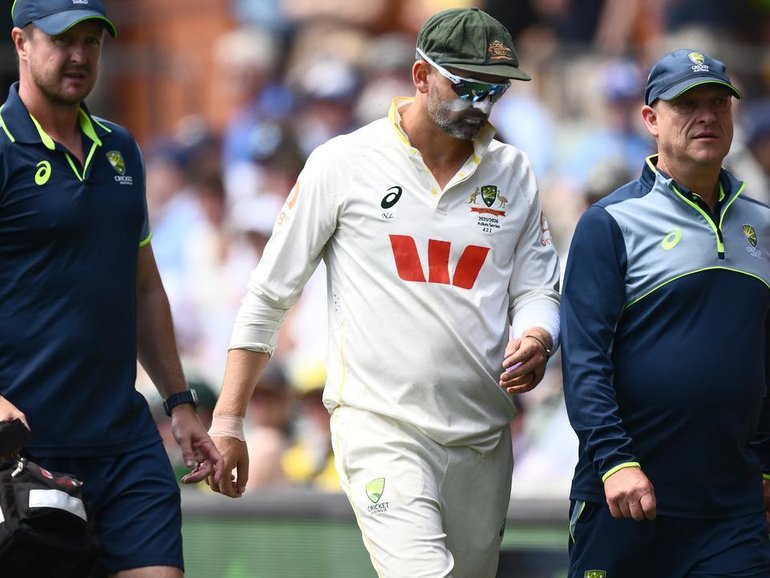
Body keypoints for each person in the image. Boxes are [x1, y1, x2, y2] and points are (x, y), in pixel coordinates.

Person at [207, 7, 561, 577]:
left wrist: (540, 336)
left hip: (482, 437)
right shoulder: (343, 163)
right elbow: (269, 295)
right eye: (466, 86)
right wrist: (228, 420)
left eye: (493, 91)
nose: (480, 105)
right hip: (381, 426)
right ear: (421, 77)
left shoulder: (513, 171)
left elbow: (539, 288)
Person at [0, 1, 223, 576]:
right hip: (25, 450)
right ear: (21, 43)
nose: (79, 56)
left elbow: (144, 287)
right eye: (61, 40)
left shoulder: (122, 149)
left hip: (124, 443)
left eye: (92, 41)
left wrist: (179, 403)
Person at [561, 48, 770, 577]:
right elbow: (585, 359)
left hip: (732, 508)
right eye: (687, 105)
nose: (706, 117)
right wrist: (614, 461)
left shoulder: (764, 227)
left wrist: (767, 463)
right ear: (651, 120)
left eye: (718, 104)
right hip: (626, 499)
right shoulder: (609, 222)